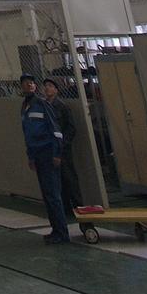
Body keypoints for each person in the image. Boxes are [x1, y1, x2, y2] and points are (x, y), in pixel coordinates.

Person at [20, 73, 69, 244]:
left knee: (53, 194)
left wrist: (57, 153)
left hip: (48, 153)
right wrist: (31, 156)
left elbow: (55, 130)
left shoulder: (42, 104)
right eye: (26, 83)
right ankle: (56, 229)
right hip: (38, 155)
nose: (30, 86)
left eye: (32, 83)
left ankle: (62, 232)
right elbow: (28, 134)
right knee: (47, 194)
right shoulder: (25, 107)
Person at [42, 78, 84, 216]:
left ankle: (79, 206)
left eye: (50, 86)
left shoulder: (62, 107)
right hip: (50, 148)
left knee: (69, 178)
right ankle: (65, 208)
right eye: (45, 86)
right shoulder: (44, 107)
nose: (47, 88)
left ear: (56, 89)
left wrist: (62, 145)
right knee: (58, 180)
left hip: (62, 150)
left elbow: (71, 128)